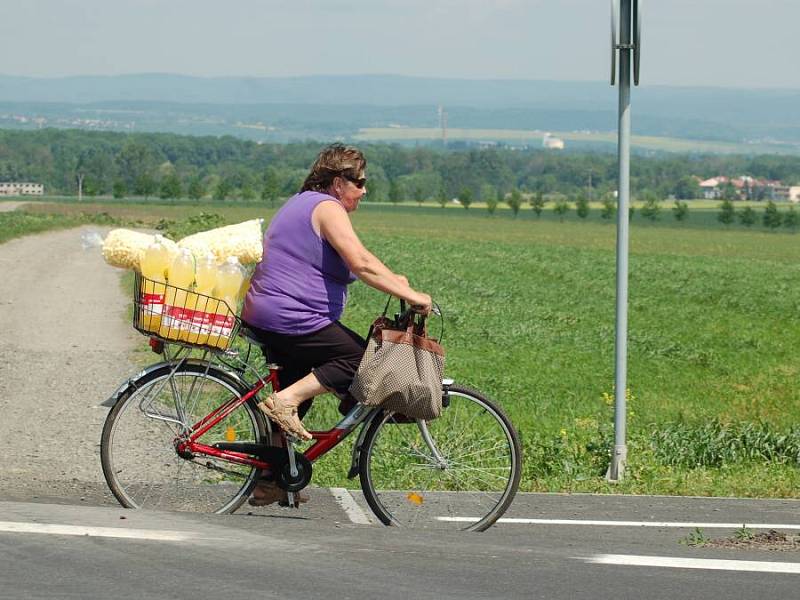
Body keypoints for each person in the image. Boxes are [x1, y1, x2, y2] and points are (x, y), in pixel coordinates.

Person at [241, 143, 432, 505]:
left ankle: (273, 478)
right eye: (358, 182)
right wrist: (419, 297)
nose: (363, 190)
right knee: (362, 362)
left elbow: (363, 258)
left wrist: (397, 282)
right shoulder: (327, 208)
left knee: (300, 383)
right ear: (336, 181)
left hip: (272, 313)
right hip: (289, 316)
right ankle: (283, 403)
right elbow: (360, 263)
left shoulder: (306, 202)